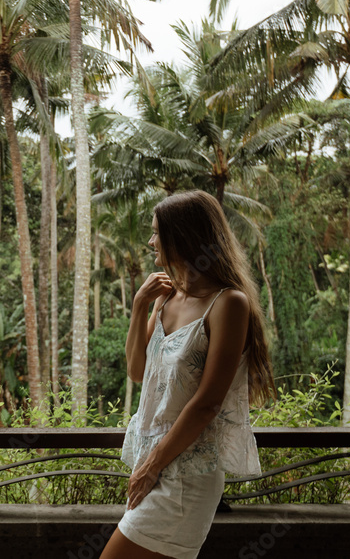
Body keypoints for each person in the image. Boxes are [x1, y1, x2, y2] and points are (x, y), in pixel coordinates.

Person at [100, 190, 276, 559]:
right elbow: (136, 371)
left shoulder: (228, 303)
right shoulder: (167, 297)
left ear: (183, 237)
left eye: (157, 234)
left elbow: (208, 403)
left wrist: (151, 466)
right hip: (156, 467)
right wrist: (138, 307)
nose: (151, 242)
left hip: (187, 475)